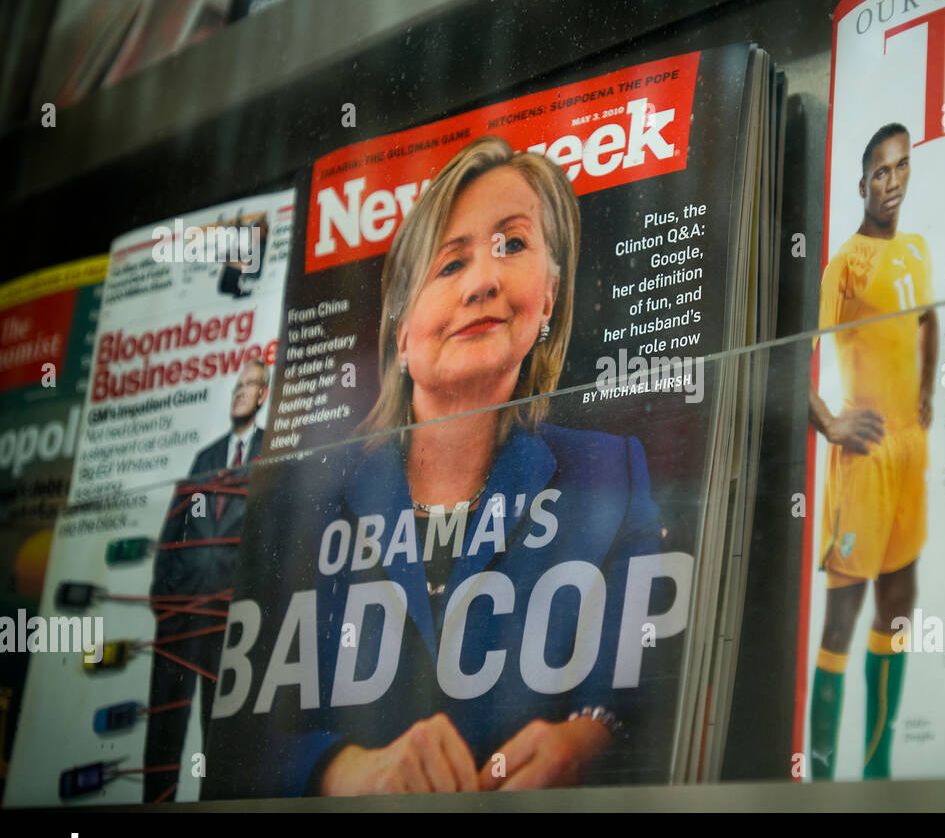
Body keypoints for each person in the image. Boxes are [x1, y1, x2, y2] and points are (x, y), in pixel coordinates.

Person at [204, 136, 679, 798]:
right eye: (450, 264)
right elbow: (228, 742)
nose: (484, 279)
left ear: (548, 298)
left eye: (513, 245)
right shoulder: (299, 495)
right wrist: (344, 771)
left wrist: (587, 737)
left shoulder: (609, 473)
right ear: (401, 332)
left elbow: (648, 689)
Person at [807, 123, 938, 779]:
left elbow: (929, 319)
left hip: (909, 451)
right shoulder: (844, 265)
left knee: (900, 601)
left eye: (900, 168)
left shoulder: (916, 250)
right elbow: (790, 361)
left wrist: (928, 394)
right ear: (862, 184)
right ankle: (822, 780)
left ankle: (877, 773)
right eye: (880, 173)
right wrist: (830, 423)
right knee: (843, 617)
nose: (891, 182)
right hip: (864, 461)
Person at [145, 359, 268, 801]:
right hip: (180, 616)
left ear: (263, 397)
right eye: (237, 384)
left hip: (228, 619)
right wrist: (164, 598)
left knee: (219, 730)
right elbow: (173, 531)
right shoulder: (205, 457)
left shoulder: (272, 453)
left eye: (250, 385)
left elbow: (273, 535)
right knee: (164, 726)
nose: (240, 391)